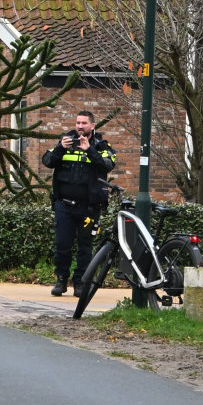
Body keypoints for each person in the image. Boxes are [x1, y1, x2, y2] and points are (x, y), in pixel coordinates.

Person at [41, 109, 116, 297]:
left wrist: (89, 149)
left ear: (92, 125)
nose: (80, 126)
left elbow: (107, 165)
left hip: (89, 206)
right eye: (78, 123)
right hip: (64, 205)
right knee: (62, 244)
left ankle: (81, 282)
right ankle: (61, 280)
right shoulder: (65, 142)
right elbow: (47, 161)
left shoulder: (101, 146)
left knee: (85, 246)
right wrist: (60, 147)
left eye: (84, 123)